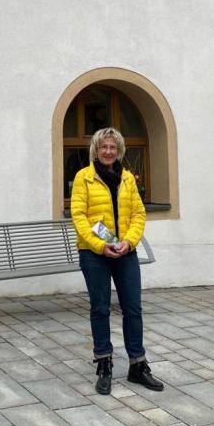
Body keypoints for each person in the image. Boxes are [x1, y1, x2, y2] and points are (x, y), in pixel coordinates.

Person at [70, 127, 164, 395]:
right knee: (100, 308)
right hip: (94, 254)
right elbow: (79, 217)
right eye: (103, 147)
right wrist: (101, 245)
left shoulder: (128, 178)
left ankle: (137, 365)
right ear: (96, 150)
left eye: (113, 147)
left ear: (119, 150)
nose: (108, 151)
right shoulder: (83, 178)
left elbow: (139, 213)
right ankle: (104, 363)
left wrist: (129, 242)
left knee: (133, 308)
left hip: (126, 252)